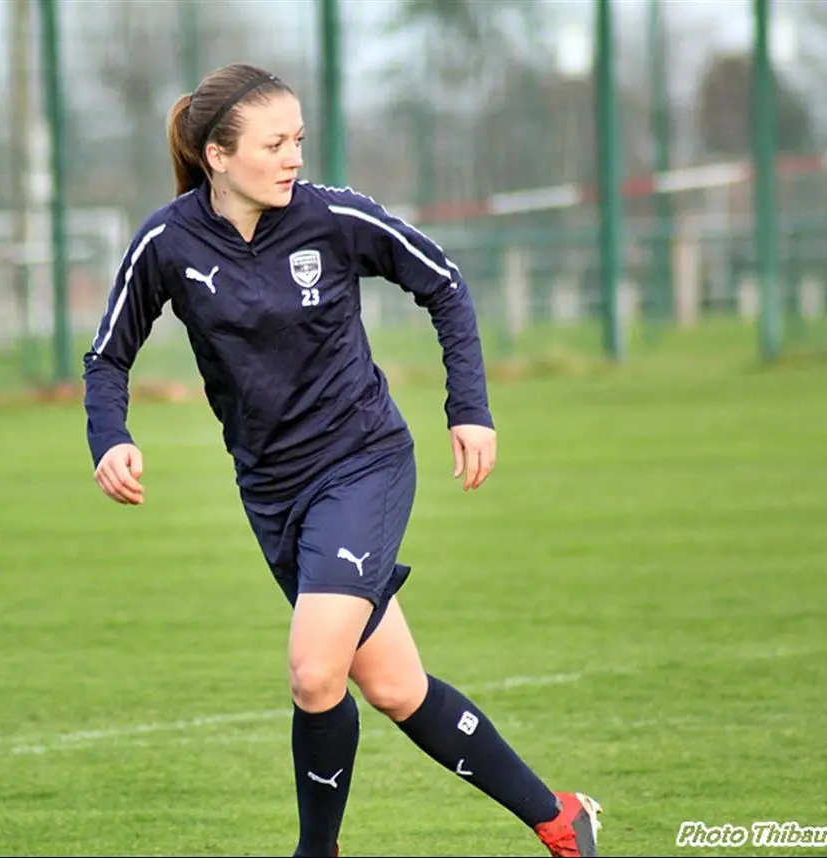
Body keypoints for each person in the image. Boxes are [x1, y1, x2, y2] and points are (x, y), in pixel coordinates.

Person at [81, 62, 602, 858]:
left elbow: (446, 286)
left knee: (313, 672)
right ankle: (562, 818)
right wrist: (109, 436)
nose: (293, 157)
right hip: (271, 492)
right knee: (395, 687)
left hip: (363, 463)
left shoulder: (333, 218)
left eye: (298, 139)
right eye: (274, 143)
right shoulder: (168, 241)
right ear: (218, 156)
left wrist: (470, 409)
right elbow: (107, 356)